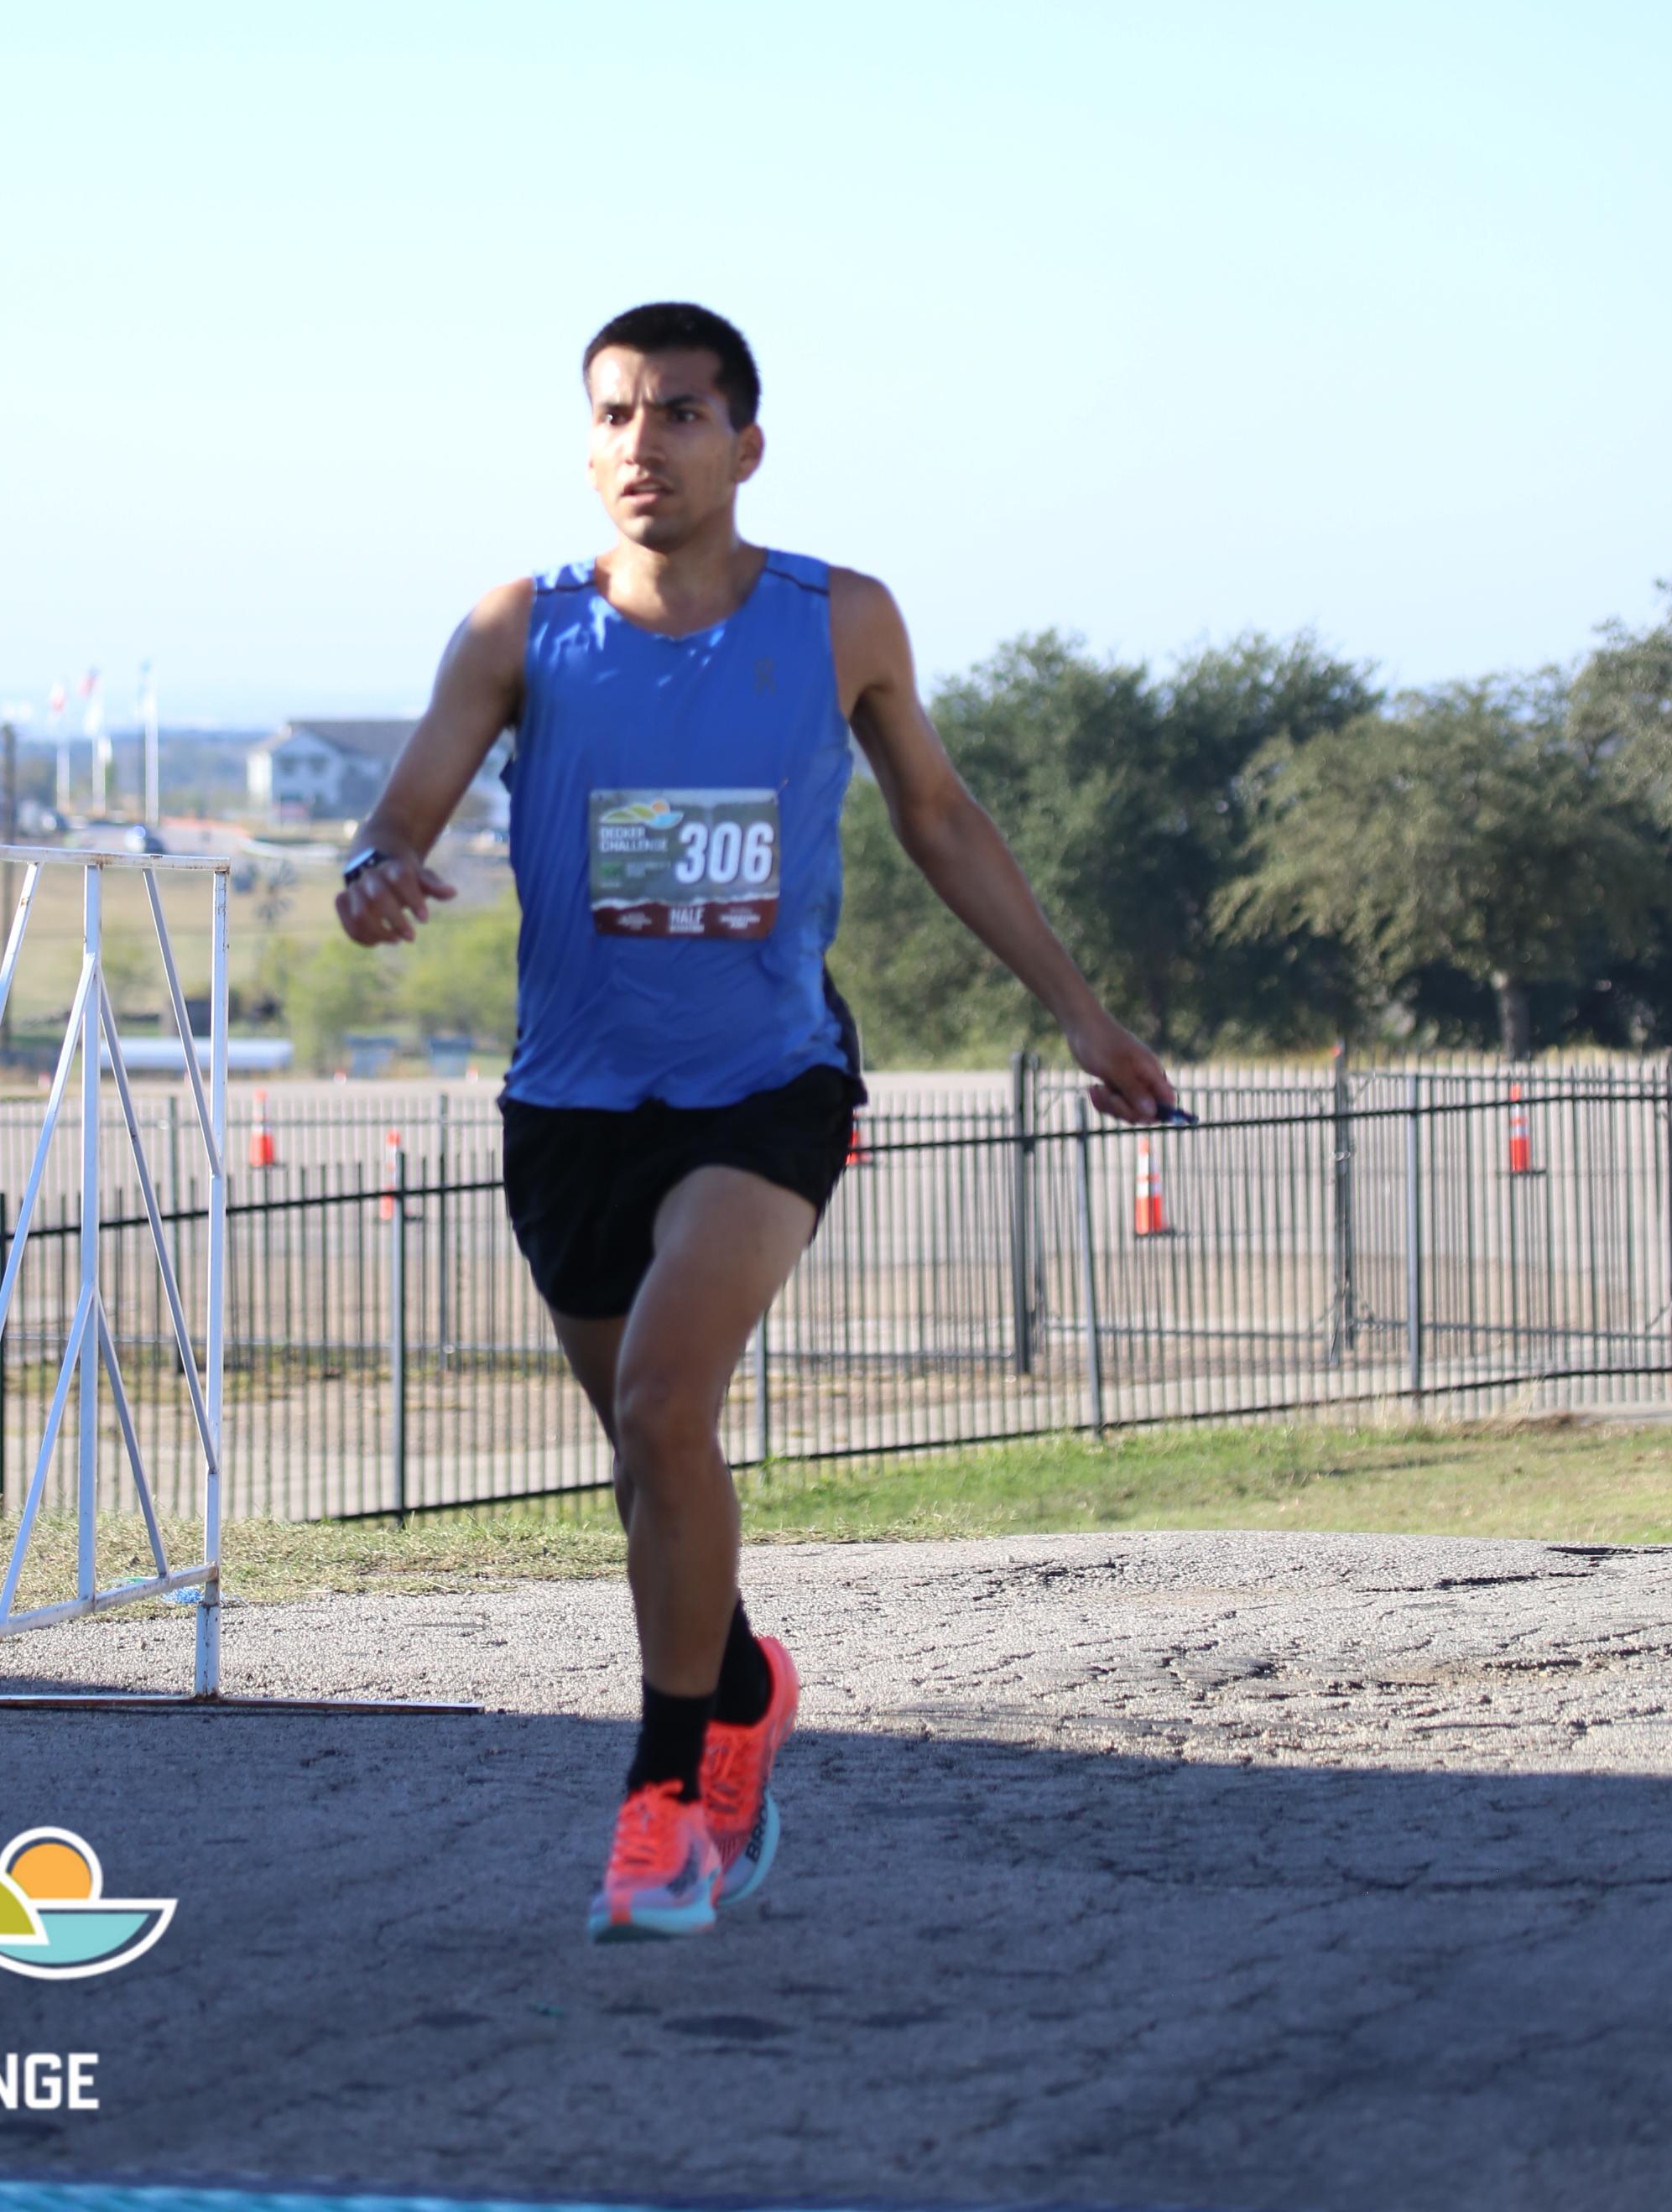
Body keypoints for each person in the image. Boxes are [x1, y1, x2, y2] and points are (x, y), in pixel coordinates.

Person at [336, 299, 1177, 1941]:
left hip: (767, 1083)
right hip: (572, 1099)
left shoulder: (838, 618)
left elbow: (939, 816)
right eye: (614, 416)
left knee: (664, 1405)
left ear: (745, 443)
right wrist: (377, 876)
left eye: (677, 413)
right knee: (648, 1455)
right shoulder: (518, 630)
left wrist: (1080, 1012)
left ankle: (664, 1804)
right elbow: (401, 817)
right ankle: (741, 1684)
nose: (642, 445)